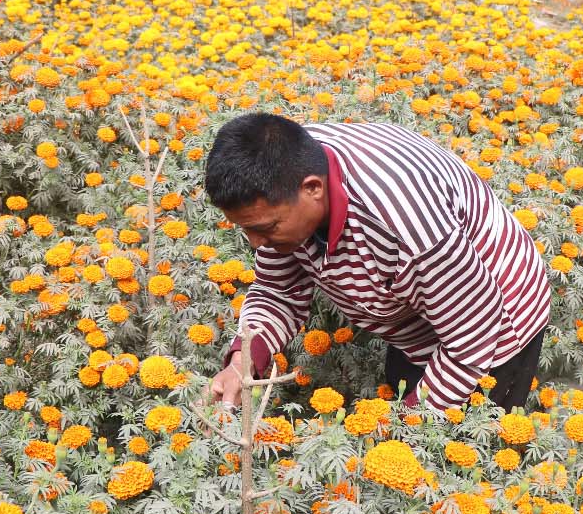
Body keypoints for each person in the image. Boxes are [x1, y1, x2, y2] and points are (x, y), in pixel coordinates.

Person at [204, 114, 551, 414]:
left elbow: (472, 336)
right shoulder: (282, 172)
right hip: (422, 303)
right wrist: (242, 363)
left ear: (313, 189)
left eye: (265, 228)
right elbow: (278, 291)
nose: (255, 242)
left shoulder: (406, 223)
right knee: (406, 389)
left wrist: (407, 426)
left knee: (466, 440)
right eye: (246, 229)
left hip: (495, 315)